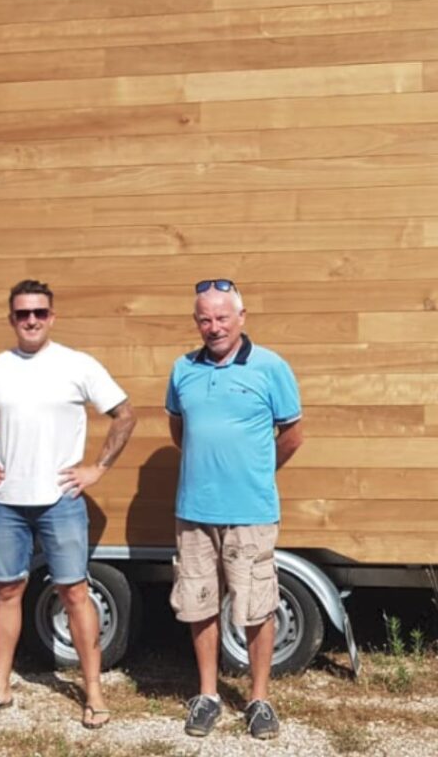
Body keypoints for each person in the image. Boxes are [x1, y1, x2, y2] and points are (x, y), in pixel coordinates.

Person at [0, 279, 137, 730]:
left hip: (61, 501)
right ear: (11, 318)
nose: (30, 320)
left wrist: (97, 468)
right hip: (6, 504)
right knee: (6, 591)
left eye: (39, 313)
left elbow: (125, 414)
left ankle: (92, 691)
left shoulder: (77, 364)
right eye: (22, 314)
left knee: (75, 592)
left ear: (52, 317)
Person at [166, 279, 303, 741]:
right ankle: (208, 695)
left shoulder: (271, 367)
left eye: (222, 317)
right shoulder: (182, 369)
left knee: (256, 607)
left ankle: (259, 699)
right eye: (205, 318)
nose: (214, 326)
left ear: (241, 318)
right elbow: (178, 429)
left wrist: (257, 472)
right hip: (194, 512)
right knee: (199, 604)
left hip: (251, 512)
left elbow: (292, 435)